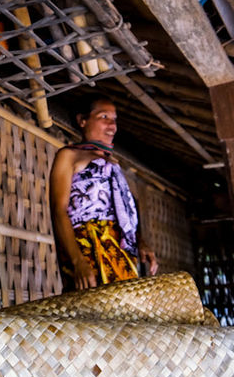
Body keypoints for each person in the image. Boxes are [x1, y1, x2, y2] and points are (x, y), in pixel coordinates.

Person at [49, 96, 158, 291]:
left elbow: (122, 214)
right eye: (104, 116)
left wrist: (140, 242)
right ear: (83, 120)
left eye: (114, 119)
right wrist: (78, 261)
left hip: (119, 250)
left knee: (124, 312)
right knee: (93, 310)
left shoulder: (113, 163)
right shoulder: (69, 155)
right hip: (88, 247)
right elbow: (59, 210)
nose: (112, 124)